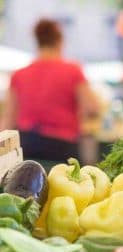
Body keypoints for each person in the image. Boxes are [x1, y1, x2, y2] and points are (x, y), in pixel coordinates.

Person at [2, 18, 99, 162]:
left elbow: (8, 120)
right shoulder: (73, 70)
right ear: (60, 41)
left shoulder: (19, 74)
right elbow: (92, 108)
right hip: (62, 146)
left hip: (27, 144)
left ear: (38, 41)